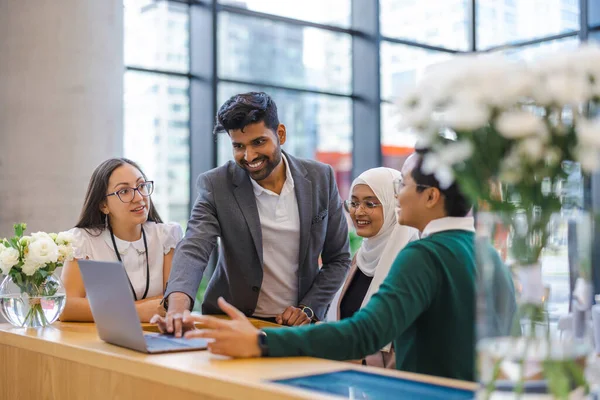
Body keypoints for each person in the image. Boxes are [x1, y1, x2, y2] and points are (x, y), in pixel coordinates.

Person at [178, 148, 479, 382]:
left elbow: (365, 334)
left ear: (431, 196)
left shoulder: (421, 255)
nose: (398, 193)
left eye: (405, 184)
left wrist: (263, 341)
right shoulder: (482, 253)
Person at [152, 92, 350, 332]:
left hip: (296, 328)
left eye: (258, 142)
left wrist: (308, 308)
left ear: (281, 134)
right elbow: (194, 248)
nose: (249, 156)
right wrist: (177, 309)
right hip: (234, 323)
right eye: (238, 146)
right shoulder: (216, 185)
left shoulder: (321, 178)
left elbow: (338, 259)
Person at [59, 158, 182, 322]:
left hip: (156, 334)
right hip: (99, 340)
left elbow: (172, 300)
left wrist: (104, 309)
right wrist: (136, 311)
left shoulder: (166, 236)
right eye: (124, 191)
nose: (138, 197)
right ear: (104, 205)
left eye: (141, 186)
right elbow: (66, 307)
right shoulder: (83, 240)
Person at [327, 167, 418, 368]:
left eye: (370, 204)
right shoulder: (361, 258)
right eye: (354, 202)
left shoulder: (411, 263)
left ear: (393, 205)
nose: (358, 212)